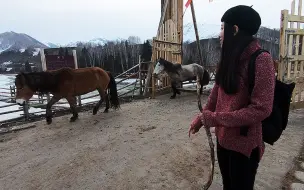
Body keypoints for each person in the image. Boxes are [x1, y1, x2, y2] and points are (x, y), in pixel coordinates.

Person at [188, 5, 276, 190]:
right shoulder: (228, 59)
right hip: (223, 139)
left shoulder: (261, 60)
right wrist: (202, 117)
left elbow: (262, 109)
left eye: (222, 28)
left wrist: (214, 118)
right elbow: (215, 95)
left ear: (234, 29)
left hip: (244, 146)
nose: (220, 34)